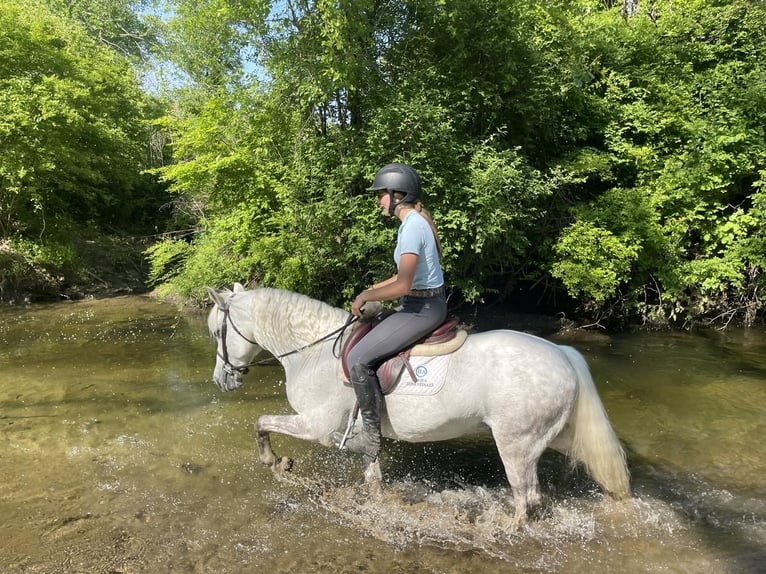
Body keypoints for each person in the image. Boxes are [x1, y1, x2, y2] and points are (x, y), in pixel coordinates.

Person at [333, 163, 447, 464]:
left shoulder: (412, 227)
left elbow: (404, 284)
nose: (378, 200)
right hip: (419, 303)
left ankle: (370, 439)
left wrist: (368, 295)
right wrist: (368, 290)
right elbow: (400, 278)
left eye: (381, 194)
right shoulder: (414, 223)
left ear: (398, 195)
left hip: (422, 308)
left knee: (358, 358)